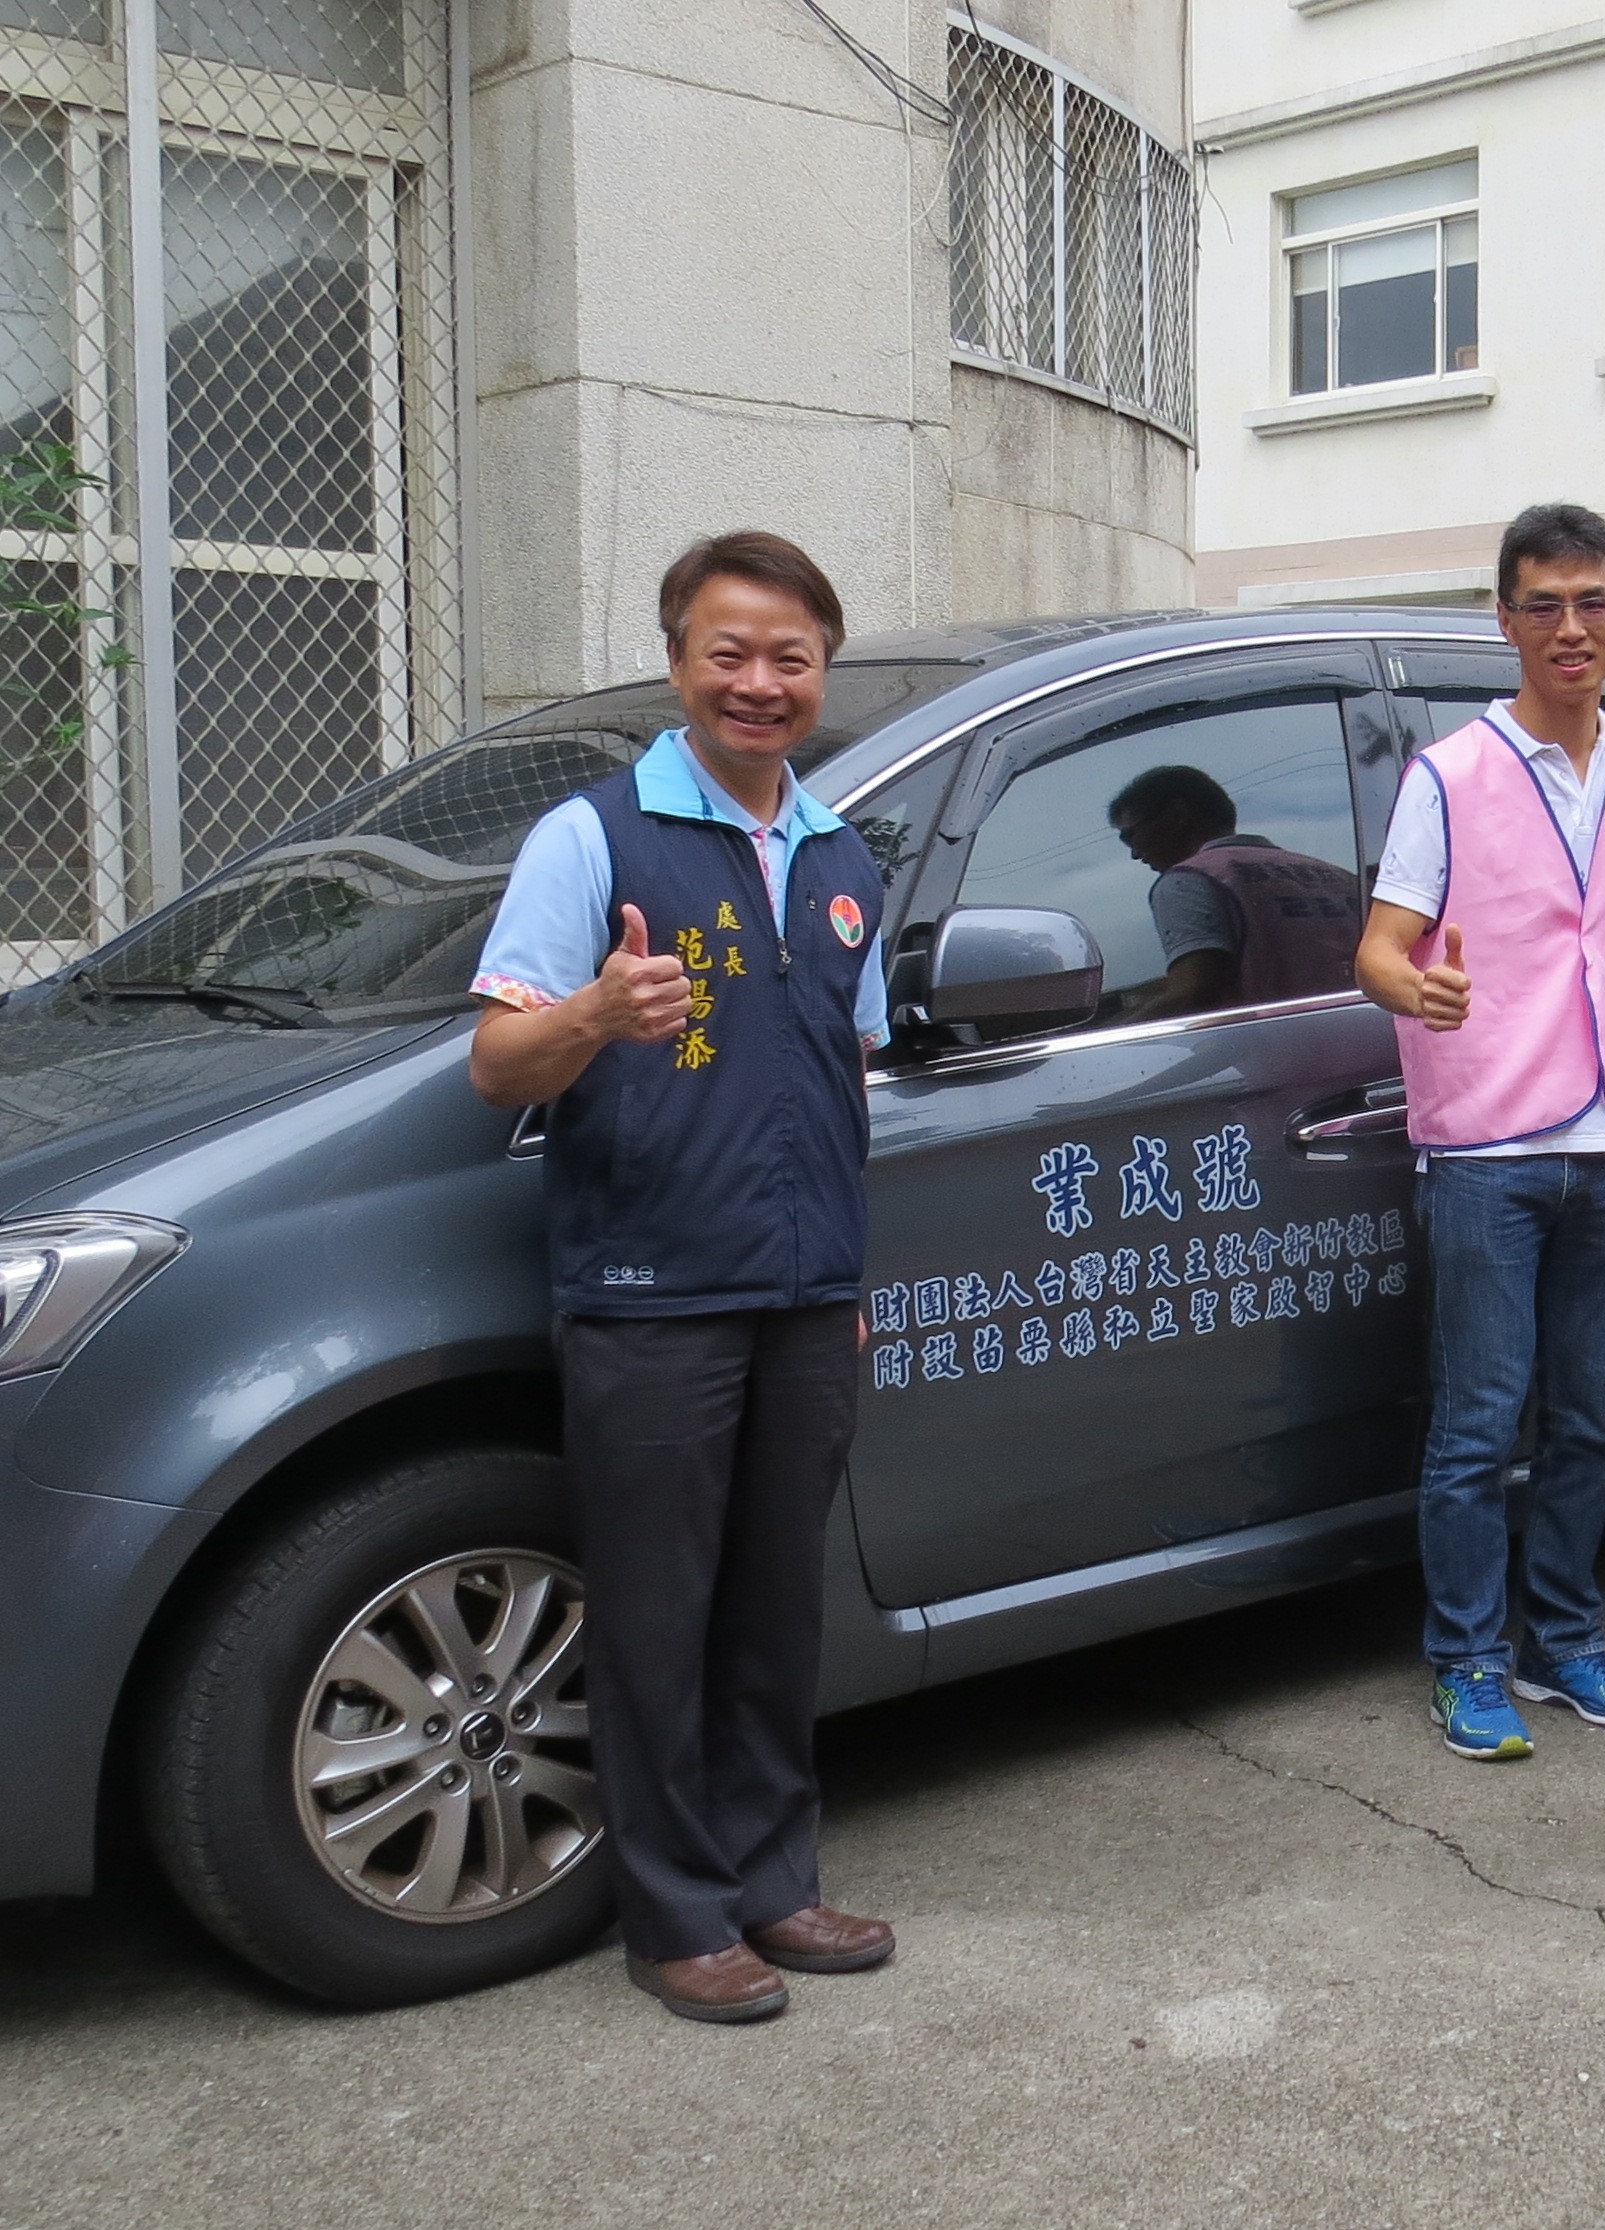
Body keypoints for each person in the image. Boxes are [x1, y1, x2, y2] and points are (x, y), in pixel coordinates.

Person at [466, 530, 896, 2023]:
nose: (759, 682)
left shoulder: (841, 858)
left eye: (790, 657)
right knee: (657, 1617)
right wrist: (594, 1011)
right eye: (729, 652)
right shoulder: (590, 838)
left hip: (806, 1294)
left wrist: (846, 1271)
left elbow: (844, 1077)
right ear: (676, 663)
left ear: (821, 672)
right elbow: (495, 1062)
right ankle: (676, 1916)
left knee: (778, 1609)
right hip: (650, 1293)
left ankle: (775, 1881)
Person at [1353, 502, 1605, 1762]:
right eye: (1542, 605)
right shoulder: (1449, 775)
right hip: (1488, 1145)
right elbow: (1380, 948)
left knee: (1590, 1420)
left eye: (1592, 602)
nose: (1569, 627)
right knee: (1480, 1422)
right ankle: (1466, 1659)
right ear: (1503, 621)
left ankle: (1564, 1641)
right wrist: (1417, 990)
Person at [1105, 763, 1362, 1017]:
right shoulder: (1343, 878)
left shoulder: (1187, 881)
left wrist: (1120, 1027)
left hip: (1277, 1041)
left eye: (1130, 835)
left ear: (1177, 816)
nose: (1134, 854)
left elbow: (1193, 994)